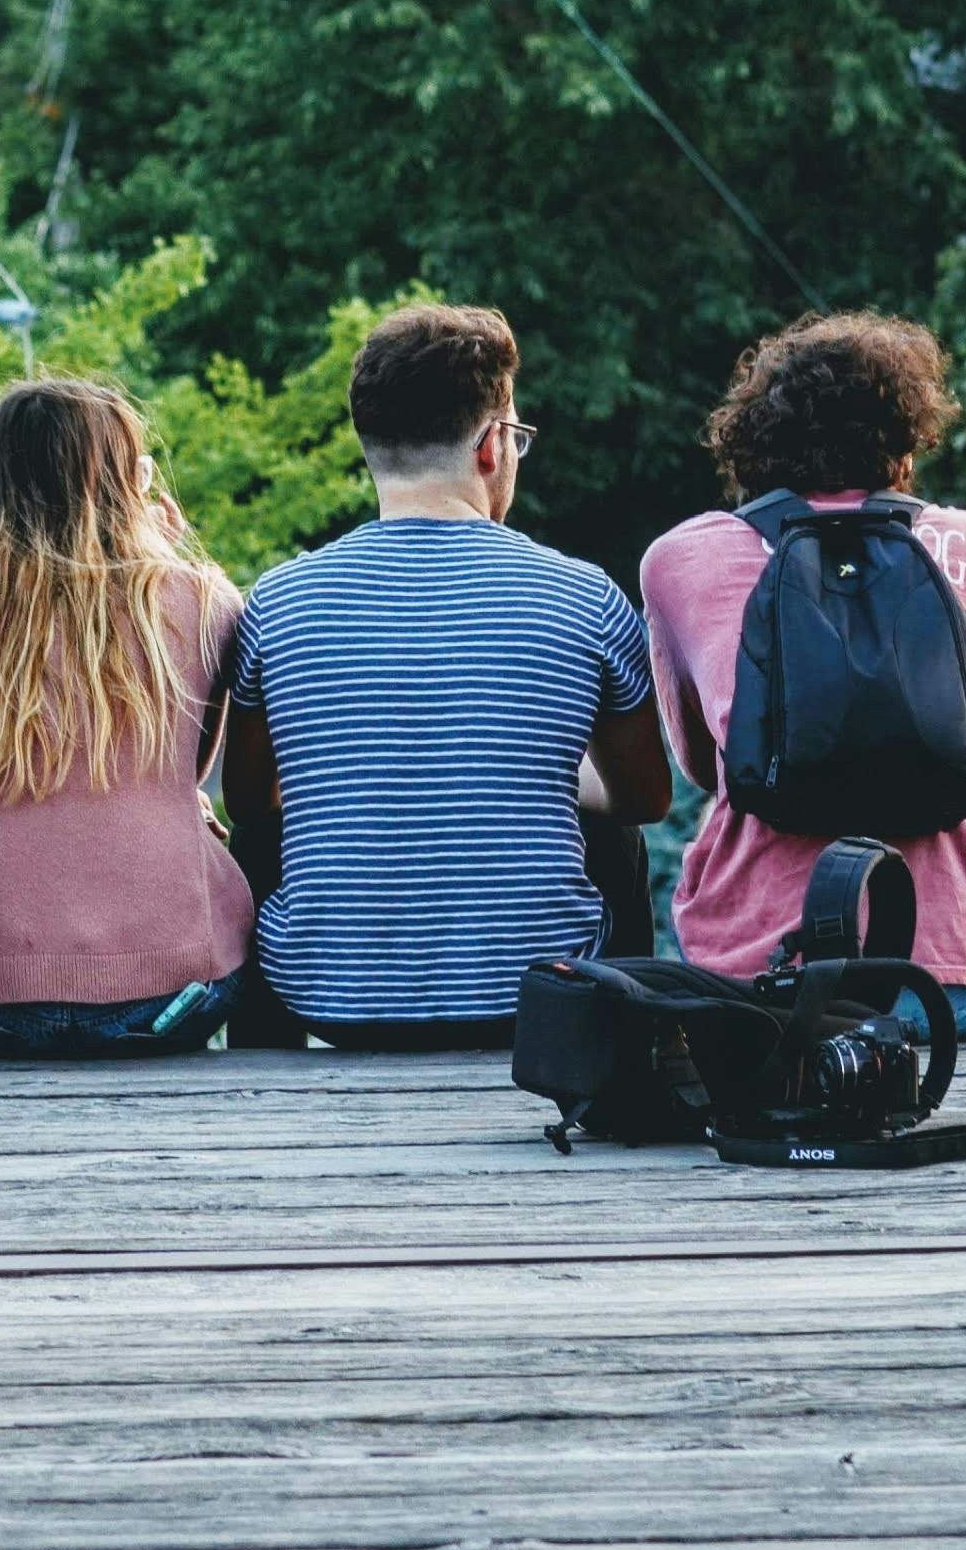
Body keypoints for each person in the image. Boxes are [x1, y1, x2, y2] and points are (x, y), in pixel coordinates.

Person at [226, 303, 670, 1051]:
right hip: (535, 999)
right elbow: (646, 798)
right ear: (493, 444)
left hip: (325, 1002)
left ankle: (263, 1058)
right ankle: (619, 1047)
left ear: (368, 443)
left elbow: (247, 802)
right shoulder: (585, 596)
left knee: (267, 833)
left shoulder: (278, 600)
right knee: (613, 835)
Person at [638, 312, 966, 1035]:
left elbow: (704, 766)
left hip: (765, 985)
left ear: (751, 443)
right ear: (906, 443)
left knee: (728, 797)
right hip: (961, 991)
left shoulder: (681, 558)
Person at [0, 379, 253, 1059]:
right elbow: (188, 769)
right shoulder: (201, 598)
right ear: (123, 484)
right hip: (172, 1000)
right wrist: (162, 560)